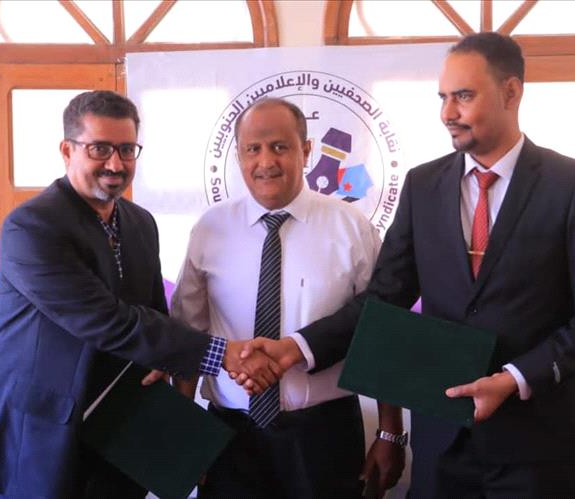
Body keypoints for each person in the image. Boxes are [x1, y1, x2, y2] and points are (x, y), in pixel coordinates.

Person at [240, 33, 575, 497]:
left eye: (463, 96)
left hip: (537, 442)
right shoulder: (423, 186)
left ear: (511, 92)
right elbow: (384, 300)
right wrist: (298, 347)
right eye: (443, 98)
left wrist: (514, 379)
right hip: (442, 439)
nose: (448, 112)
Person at [0, 90, 278, 499]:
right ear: (67, 150)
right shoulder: (31, 227)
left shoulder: (139, 223)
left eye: (126, 150)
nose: (115, 164)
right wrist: (221, 353)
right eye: (99, 149)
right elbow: (106, 320)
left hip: (121, 436)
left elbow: (153, 312)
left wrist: (164, 364)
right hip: (36, 438)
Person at [169, 98, 405, 498]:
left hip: (325, 436)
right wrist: (184, 435)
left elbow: (380, 333)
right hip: (229, 437)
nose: (266, 162)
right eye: (253, 149)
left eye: (280, 146)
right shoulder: (210, 229)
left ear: (306, 151)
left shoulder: (351, 227)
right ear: (238, 155)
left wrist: (390, 431)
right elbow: (187, 336)